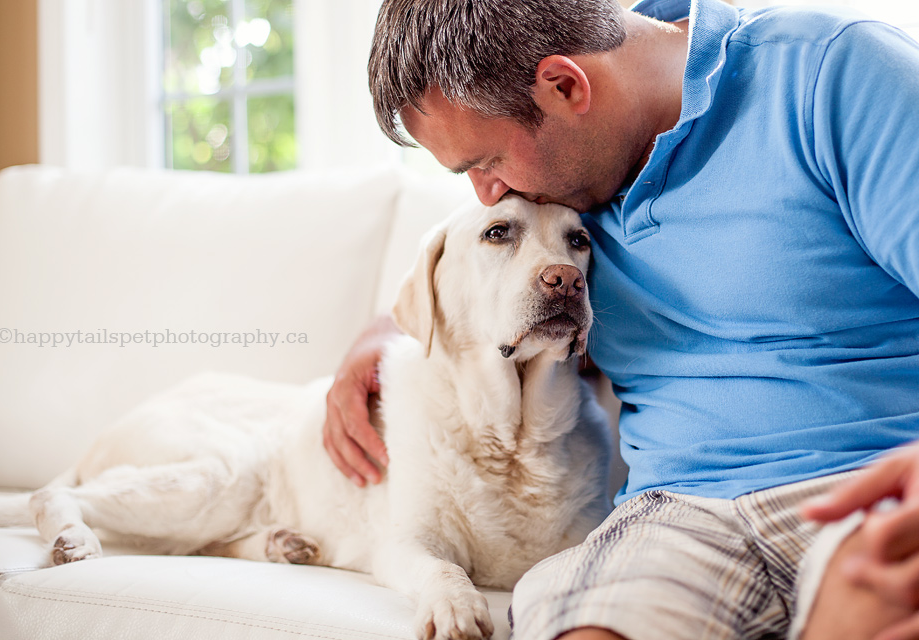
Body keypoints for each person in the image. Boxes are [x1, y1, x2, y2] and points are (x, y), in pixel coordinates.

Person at [323, 0, 919, 638]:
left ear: (565, 86)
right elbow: (482, 266)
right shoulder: (567, 190)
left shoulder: (834, 77)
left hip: (868, 486)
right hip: (672, 515)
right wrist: (388, 331)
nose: (488, 192)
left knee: (869, 612)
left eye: (484, 163)